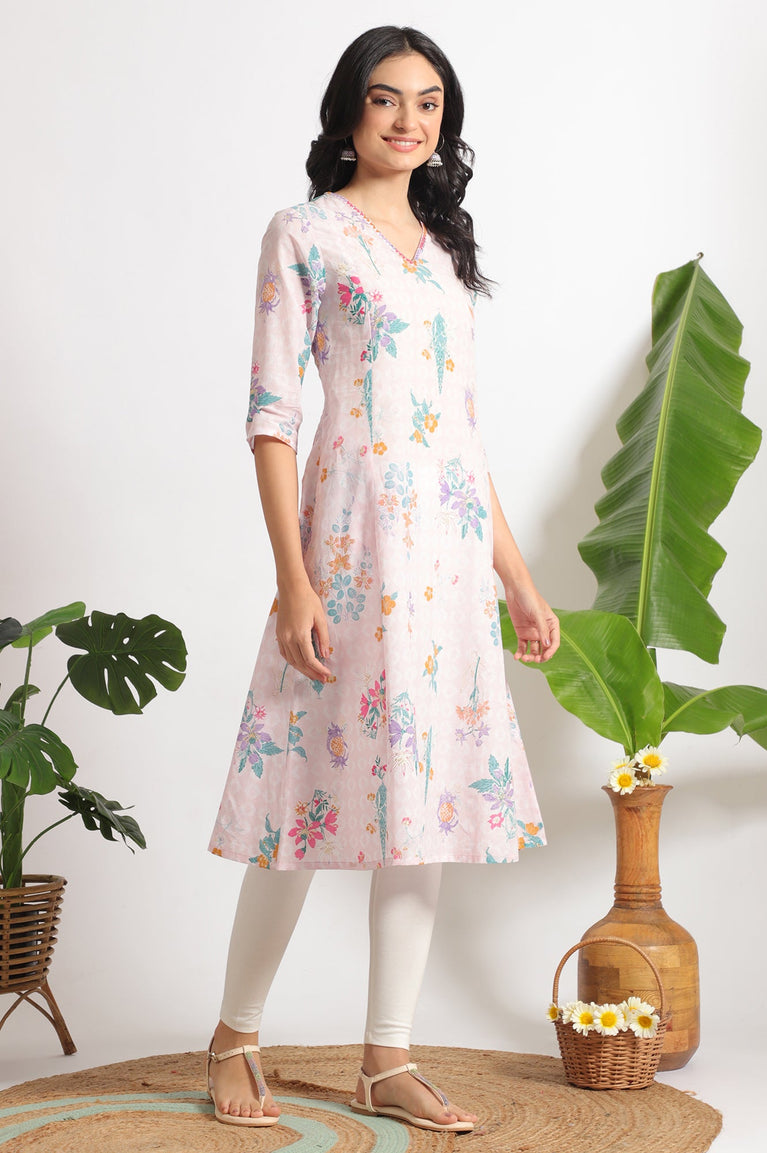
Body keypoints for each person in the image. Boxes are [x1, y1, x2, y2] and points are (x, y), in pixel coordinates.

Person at [206, 25, 560, 1133]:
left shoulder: (445, 250)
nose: (408, 120)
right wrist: (294, 580)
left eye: (428, 102)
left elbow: (461, 433)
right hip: (351, 546)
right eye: (385, 98)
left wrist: (516, 578)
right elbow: (272, 418)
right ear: (349, 111)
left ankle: (385, 1056)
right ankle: (234, 1034)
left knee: (427, 798)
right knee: (303, 788)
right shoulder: (304, 232)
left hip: (446, 561)